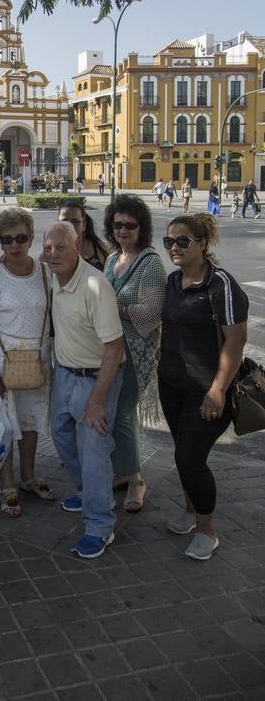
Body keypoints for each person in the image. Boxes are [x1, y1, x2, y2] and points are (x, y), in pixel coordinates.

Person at [159, 214, 248, 560]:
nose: (174, 248)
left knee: (190, 457)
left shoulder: (220, 284)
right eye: (169, 242)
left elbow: (236, 341)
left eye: (183, 241)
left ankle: (207, 531)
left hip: (207, 388)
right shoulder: (172, 281)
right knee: (183, 451)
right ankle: (190, 510)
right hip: (172, 383)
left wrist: (217, 390)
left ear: (202, 243)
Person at [44, 222, 124, 559]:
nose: (53, 254)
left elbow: (115, 347)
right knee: (61, 434)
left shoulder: (95, 284)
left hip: (96, 377)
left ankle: (100, 524)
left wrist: (97, 400)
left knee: (93, 448)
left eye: (61, 247)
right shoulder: (53, 274)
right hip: (64, 374)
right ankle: (91, 490)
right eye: (48, 247)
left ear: (79, 248)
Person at [0, 209, 54, 518]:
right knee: (6, 427)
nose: (14, 245)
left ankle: (28, 476)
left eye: (21, 238)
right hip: (4, 359)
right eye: (7, 239)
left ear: (31, 238)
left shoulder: (45, 272)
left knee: (31, 422)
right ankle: (6, 484)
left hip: (37, 359)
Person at [103, 195, 167, 513]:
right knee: (112, 412)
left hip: (134, 351)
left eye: (130, 225)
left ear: (142, 228)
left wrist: (118, 308)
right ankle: (122, 471)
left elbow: (153, 312)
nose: (124, 230)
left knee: (124, 414)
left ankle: (136, 481)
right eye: (118, 225)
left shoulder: (150, 262)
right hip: (110, 348)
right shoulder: (113, 258)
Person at [57, 199, 108, 270]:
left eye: (75, 221)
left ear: (84, 224)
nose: (70, 225)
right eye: (64, 221)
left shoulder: (100, 250)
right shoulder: (50, 251)